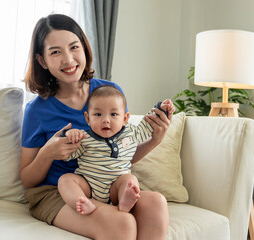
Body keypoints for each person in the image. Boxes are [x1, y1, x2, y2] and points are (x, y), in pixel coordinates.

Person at [20, 13, 172, 240]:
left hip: (105, 184)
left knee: (156, 204)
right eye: (55, 52)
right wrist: (48, 153)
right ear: (42, 61)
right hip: (55, 192)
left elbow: (119, 156)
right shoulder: (37, 110)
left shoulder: (110, 92)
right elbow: (27, 179)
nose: (69, 60)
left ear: (84, 47)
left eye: (74, 47)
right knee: (122, 224)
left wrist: (155, 140)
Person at [58, 85, 175, 215]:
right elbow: (65, 155)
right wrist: (69, 135)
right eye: (98, 114)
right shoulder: (84, 138)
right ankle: (81, 202)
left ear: (125, 118)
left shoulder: (132, 133)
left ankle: (125, 201)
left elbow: (148, 124)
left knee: (130, 180)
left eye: (113, 114)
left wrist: (161, 108)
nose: (106, 120)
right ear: (87, 118)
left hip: (116, 188)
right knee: (65, 179)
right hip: (88, 186)